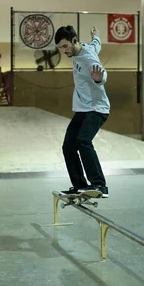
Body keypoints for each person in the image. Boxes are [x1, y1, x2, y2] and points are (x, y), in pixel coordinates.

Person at [55, 25, 110, 198]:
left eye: (65, 46)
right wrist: (96, 35)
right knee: (68, 146)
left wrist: (100, 79)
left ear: (74, 40)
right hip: (83, 109)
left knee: (83, 141)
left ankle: (99, 185)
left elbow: (100, 69)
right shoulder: (86, 47)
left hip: (96, 108)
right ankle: (79, 185)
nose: (64, 51)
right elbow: (96, 44)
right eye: (60, 48)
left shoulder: (88, 57)